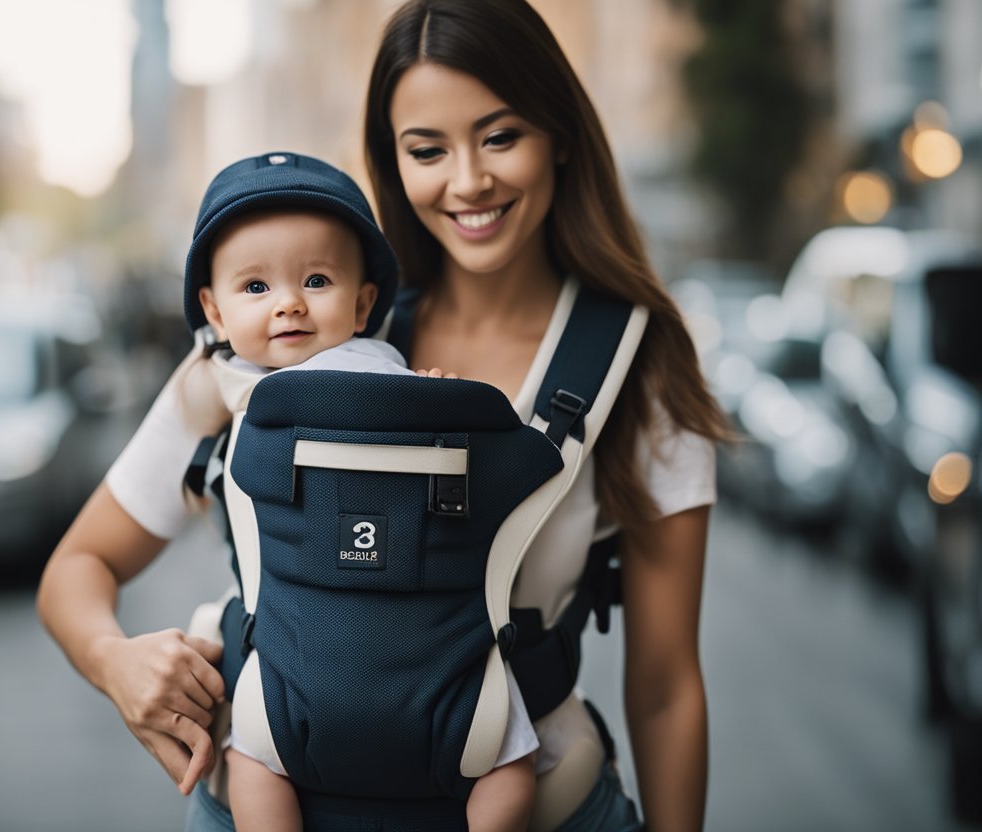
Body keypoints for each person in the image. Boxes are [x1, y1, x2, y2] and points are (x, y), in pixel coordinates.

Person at [38, 1, 726, 829]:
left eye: (501, 136)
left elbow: (663, 687)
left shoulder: (634, 362)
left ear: (562, 134)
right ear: (392, 163)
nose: (469, 180)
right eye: (427, 150)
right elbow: (77, 566)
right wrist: (116, 663)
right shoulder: (293, 333)